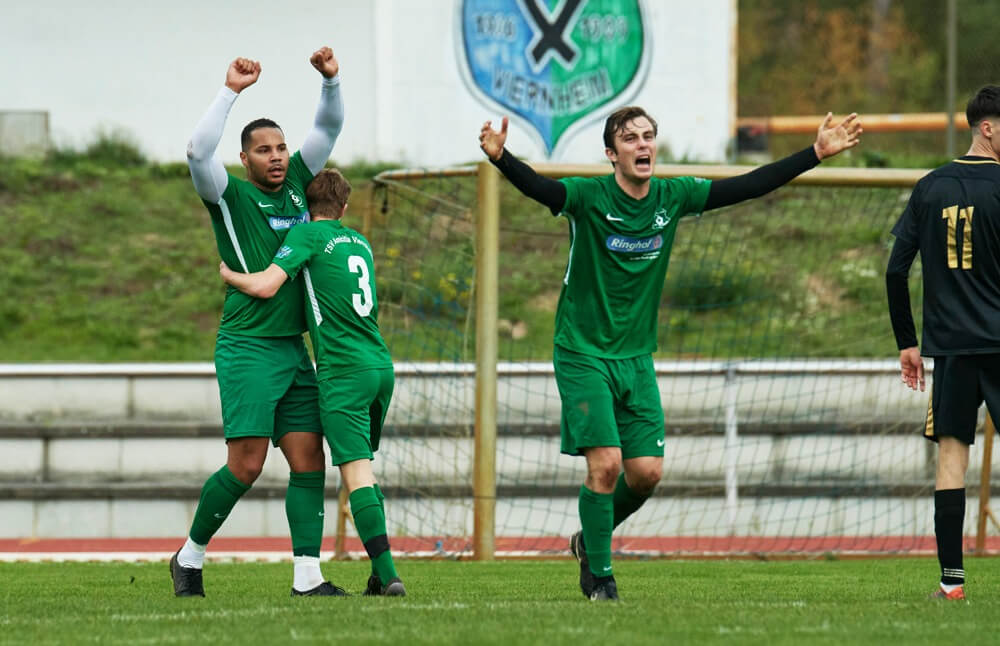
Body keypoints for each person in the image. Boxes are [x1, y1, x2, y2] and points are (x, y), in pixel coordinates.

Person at [479, 107, 861, 601]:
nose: (643, 145)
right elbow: (542, 190)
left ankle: (585, 542)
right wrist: (501, 157)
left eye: (649, 136)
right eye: (630, 138)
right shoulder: (589, 196)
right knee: (607, 465)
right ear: (611, 153)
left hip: (636, 357)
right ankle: (601, 576)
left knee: (646, 473)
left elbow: (747, 185)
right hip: (582, 351)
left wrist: (814, 154)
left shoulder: (672, 196)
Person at [170, 48, 346, 598]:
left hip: (294, 350)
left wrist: (331, 80)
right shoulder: (227, 194)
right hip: (247, 346)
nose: (276, 157)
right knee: (244, 466)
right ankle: (189, 557)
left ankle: (307, 578)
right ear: (243, 160)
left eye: (280, 147)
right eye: (262, 150)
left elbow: (330, 124)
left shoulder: (298, 179)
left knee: (308, 457)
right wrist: (230, 90)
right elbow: (198, 150)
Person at [219, 168, 405, 597]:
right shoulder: (361, 243)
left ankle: (390, 574)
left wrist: (230, 275)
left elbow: (267, 286)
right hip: (380, 367)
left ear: (307, 207)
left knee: (355, 472)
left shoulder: (305, 237)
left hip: (343, 373)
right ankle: (378, 575)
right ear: (344, 207)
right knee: (366, 471)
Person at [886, 85, 1000, 602]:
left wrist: (908, 343)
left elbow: (895, 271)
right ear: (988, 127)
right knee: (952, 459)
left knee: (951, 460)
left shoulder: (929, 187)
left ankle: (951, 585)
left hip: (951, 350)